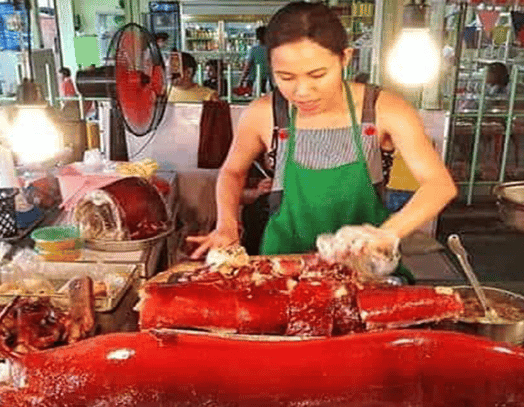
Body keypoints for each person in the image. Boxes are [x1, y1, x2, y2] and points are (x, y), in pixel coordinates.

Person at [188, 2, 457, 275]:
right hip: (285, 268)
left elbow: (439, 185)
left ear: (345, 58)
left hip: (365, 271)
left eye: (318, 74)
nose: (302, 91)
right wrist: (227, 225)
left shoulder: (383, 110)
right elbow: (232, 171)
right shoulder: (263, 113)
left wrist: (388, 233)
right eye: (286, 77)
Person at [238, 26, 272, 93]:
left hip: (254, 80)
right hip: (268, 80)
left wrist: (241, 80)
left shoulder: (254, 49)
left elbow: (247, 66)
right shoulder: (271, 49)